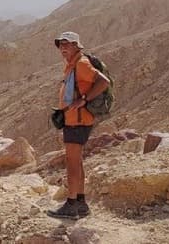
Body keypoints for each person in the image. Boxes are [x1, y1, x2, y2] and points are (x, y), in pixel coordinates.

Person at [47, 32, 110, 220]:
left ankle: (71, 204)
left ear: (76, 45)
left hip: (78, 120)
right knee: (77, 161)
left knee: (72, 163)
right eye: (60, 45)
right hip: (75, 119)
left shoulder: (81, 63)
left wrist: (83, 100)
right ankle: (81, 203)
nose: (63, 48)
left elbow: (103, 82)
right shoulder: (73, 64)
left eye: (66, 44)